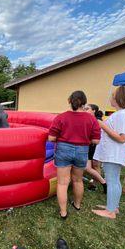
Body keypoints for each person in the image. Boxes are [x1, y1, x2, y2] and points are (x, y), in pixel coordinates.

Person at [48, 91, 101, 219]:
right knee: (78, 180)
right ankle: (77, 205)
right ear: (84, 103)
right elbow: (96, 141)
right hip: (82, 150)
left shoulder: (61, 117)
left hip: (64, 149)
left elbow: (51, 138)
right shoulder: (91, 119)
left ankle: (63, 212)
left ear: (69, 101)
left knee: (62, 183)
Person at [92, 86, 125, 219]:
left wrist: (102, 125)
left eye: (113, 95)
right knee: (114, 180)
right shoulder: (122, 113)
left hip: (114, 153)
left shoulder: (124, 114)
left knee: (112, 180)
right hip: (113, 153)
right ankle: (113, 207)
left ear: (118, 98)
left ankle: (110, 212)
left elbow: (122, 138)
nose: (111, 97)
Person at [84, 104, 107, 193]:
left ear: (93, 110)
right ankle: (100, 183)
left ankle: (96, 184)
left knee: (95, 165)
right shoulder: (89, 120)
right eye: (84, 108)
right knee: (90, 167)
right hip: (91, 146)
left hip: (96, 146)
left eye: (87, 109)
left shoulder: (97, 121)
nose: (85, 110)